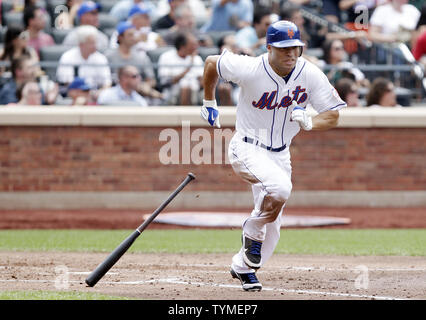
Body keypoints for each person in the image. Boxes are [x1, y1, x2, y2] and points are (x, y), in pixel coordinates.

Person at [200, 20, 346, 291]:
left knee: (275, 227)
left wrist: (311, 121)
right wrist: (210, 101)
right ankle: (251, 230)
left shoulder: (310, 73)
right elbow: (211, 63)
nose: (290, 54)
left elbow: (333, 115)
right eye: (283, 48)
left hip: (280, 154)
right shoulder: (251, 67)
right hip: (246, 146)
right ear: (268, 48)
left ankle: (243, 267)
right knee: (279, 190)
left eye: (295, 47)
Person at [104, 21, 161, 101]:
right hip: (114, 94)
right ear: (120, 37)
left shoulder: (141, 56)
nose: (133, 37)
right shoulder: (108, 56)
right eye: (130, 35)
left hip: (138, 94)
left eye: (134, 34)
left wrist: (146, 86)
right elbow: (106, 79)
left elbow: (151, 80)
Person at [56, 25, 112, 90]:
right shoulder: (67, 57)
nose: (95, 46)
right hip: (74, 93)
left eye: (95, 42)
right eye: (91, 43)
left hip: (95, 95)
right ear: (81, 44)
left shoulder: (101, 58)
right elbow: (67, 83)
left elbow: (107, 83)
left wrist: (99, 94)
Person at [157, 32, 204, 105]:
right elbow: (166, 82)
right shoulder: (166, 57)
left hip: (195, 92)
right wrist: (188, 69)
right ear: (182, 46)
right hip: (172, 91)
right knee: (185, 87)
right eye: (193, 45)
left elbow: (202, 83)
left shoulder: (197, 58)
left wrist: (202, 80)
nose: (196, 47)